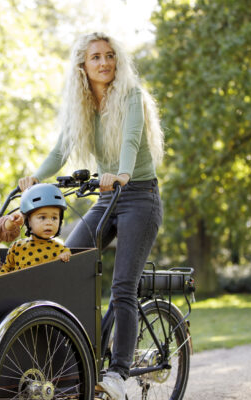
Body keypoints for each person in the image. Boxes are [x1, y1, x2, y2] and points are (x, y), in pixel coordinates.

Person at [18, 32, 164, 400]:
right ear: (82, 65)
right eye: (96, 57)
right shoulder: (83, 105)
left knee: (121, 287)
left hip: (139, 195)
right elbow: (61, 149)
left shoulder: (130, 95)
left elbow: (131, 140)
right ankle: (84, 354)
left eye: (110, 55)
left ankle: (117, 373)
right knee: (65, 261)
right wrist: (36, 177)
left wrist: (124, 174)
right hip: (107, 195)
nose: (104, 62)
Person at [0, 184, 70, 274]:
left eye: (54, 218)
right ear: (28, 220)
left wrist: (65, 256)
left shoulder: (60, 249)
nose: (49, 222)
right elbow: (6, 269)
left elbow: (64, 269)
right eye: (42, 217)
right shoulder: (17, 247)